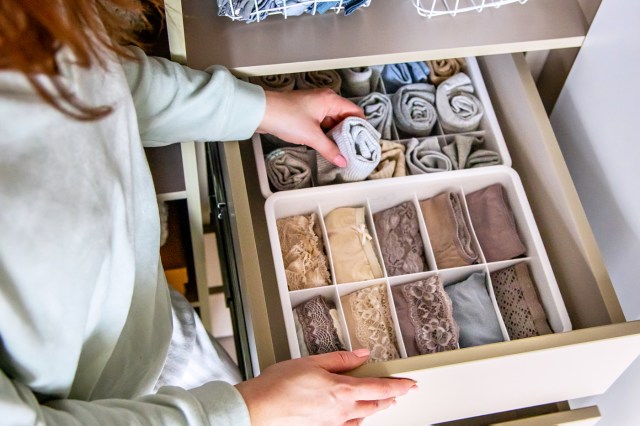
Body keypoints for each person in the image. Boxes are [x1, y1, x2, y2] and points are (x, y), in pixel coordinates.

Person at [0, 1, 416, 425]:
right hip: (102, 405)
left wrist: (260, 108)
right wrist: (251, 410)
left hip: (154, 326)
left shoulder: (31, 19)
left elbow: (97, 77)